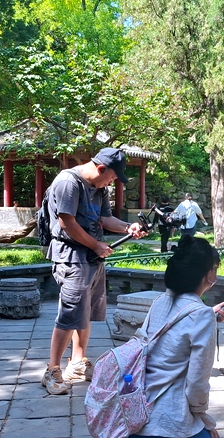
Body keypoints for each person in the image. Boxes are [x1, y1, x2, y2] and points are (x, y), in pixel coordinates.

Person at [127, 235, 224, 438]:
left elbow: (167, 336)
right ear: (209, 275)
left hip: (134, 416)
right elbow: (197, 381)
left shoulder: (160, 301)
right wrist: (205, 420)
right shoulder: (201, 315)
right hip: (167, 423)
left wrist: (209, 316)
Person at [41, 147, 146, 395]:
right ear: (100, 168)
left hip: (92, 257)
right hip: (71, 257)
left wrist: (128, 227)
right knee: (70, 312)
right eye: (112, 177)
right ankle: (52, 370)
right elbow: (66, 222)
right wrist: (95, 245)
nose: (112, 182)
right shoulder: (68, 182)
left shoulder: (99, 188)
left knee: (85, 311)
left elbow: (104, 219)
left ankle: (77, 363)